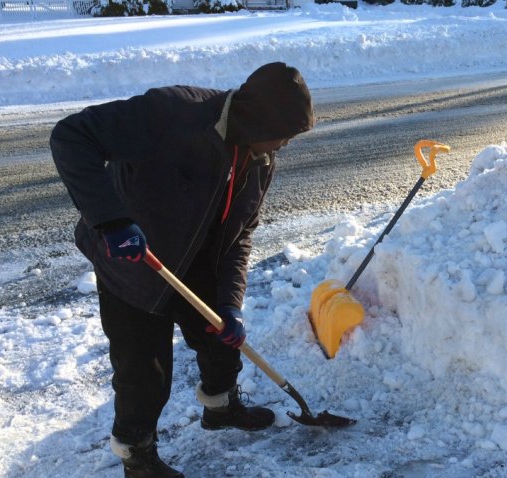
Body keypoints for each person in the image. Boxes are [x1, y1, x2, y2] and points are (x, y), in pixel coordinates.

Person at [50, 62, 315, 478]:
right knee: (144, 372)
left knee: (222, 341)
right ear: (255, 118)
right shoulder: (172, 113)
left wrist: (231, 305)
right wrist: (111, 221)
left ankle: (220, 408)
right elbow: (70, 136)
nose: (284, 144)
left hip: (197, 262)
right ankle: (137, 456)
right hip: (135, 262)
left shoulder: (260, 161)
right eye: (282, 133)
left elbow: (240, 236)